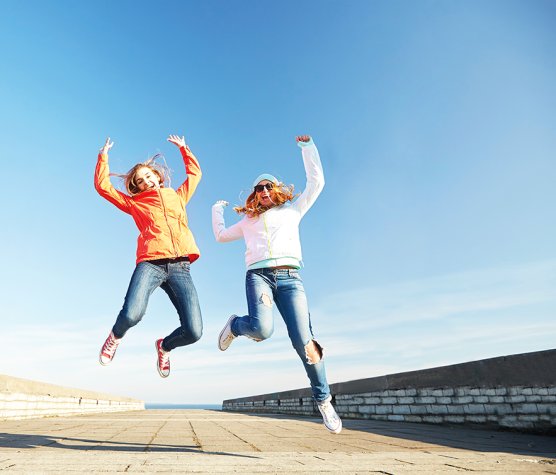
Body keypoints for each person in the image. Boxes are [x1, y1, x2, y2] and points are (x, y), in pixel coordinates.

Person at [211, 135, 342, 434]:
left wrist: (308, 149)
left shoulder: (292, 211)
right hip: (259, 277)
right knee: (262, 329)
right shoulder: (248, 221)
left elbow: (316, 183)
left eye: (269, 186)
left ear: (277, 191)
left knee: (305, 344)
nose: (265, 191)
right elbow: (220, 236)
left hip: (290, 279)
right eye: (259, 188)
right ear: (254, 195)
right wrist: (217, 210)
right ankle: (235, 326)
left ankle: (323, 400)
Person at [95, 134, 203, 378]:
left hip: (180, 267)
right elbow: (104, 187)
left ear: (157, 176)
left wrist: (185, 149)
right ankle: (115, 337)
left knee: (194, 331)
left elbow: (195, 175)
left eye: (148, 176)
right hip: (150, 263)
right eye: (140, 181)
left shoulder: (178, 196)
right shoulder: (135, 204)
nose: (146, 181)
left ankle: (164, 346)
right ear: (137, 187)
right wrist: (103, 157)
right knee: (132, 313)